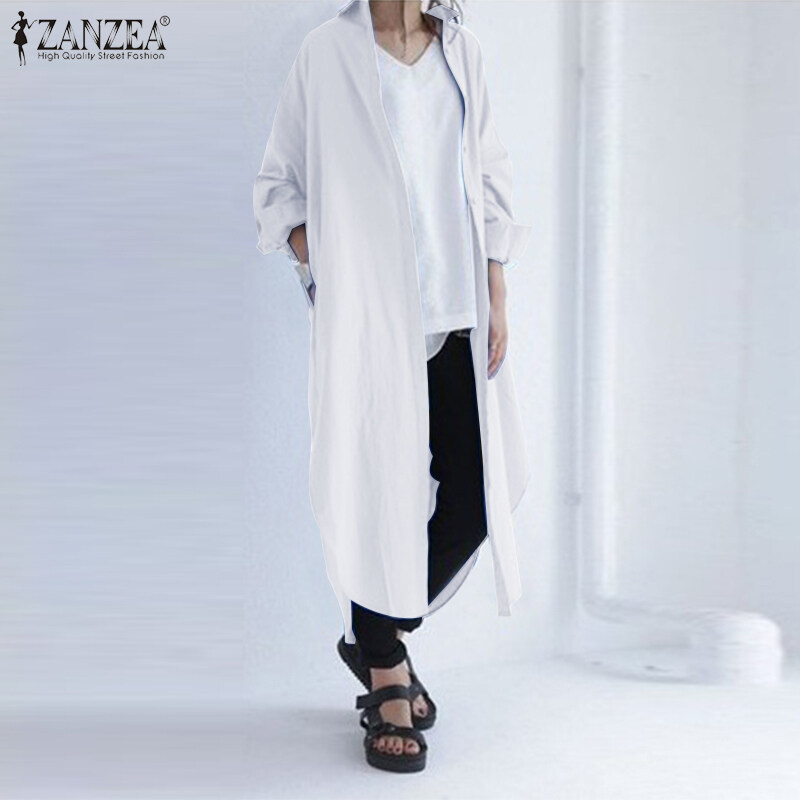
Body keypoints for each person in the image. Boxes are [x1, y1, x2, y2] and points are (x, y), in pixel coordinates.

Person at [253, 0, 531, 773]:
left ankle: (376, 633)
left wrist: (497, 289)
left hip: (458, 311)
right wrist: (325, 263)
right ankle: (385, 672)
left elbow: (489, 174)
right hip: (372, 322)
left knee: (479, 495)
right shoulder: (326, 53)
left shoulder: (464, 53)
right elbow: (278, 184)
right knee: (379, 492)